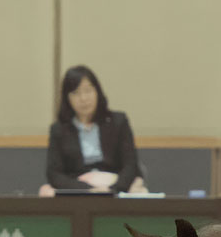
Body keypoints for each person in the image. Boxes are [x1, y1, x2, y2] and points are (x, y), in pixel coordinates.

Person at [39, 65, 146, 196]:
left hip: (115, 184)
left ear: (97, 91)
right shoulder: (59, 129)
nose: (83, 98)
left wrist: (113, 189)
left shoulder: (118, 122)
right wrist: (87, 190)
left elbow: (130, 164)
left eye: (88, 91)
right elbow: (54, 173)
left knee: (138, 188)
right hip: (78, 187)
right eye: (76, 93)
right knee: (46, 192)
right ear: (67, 98)